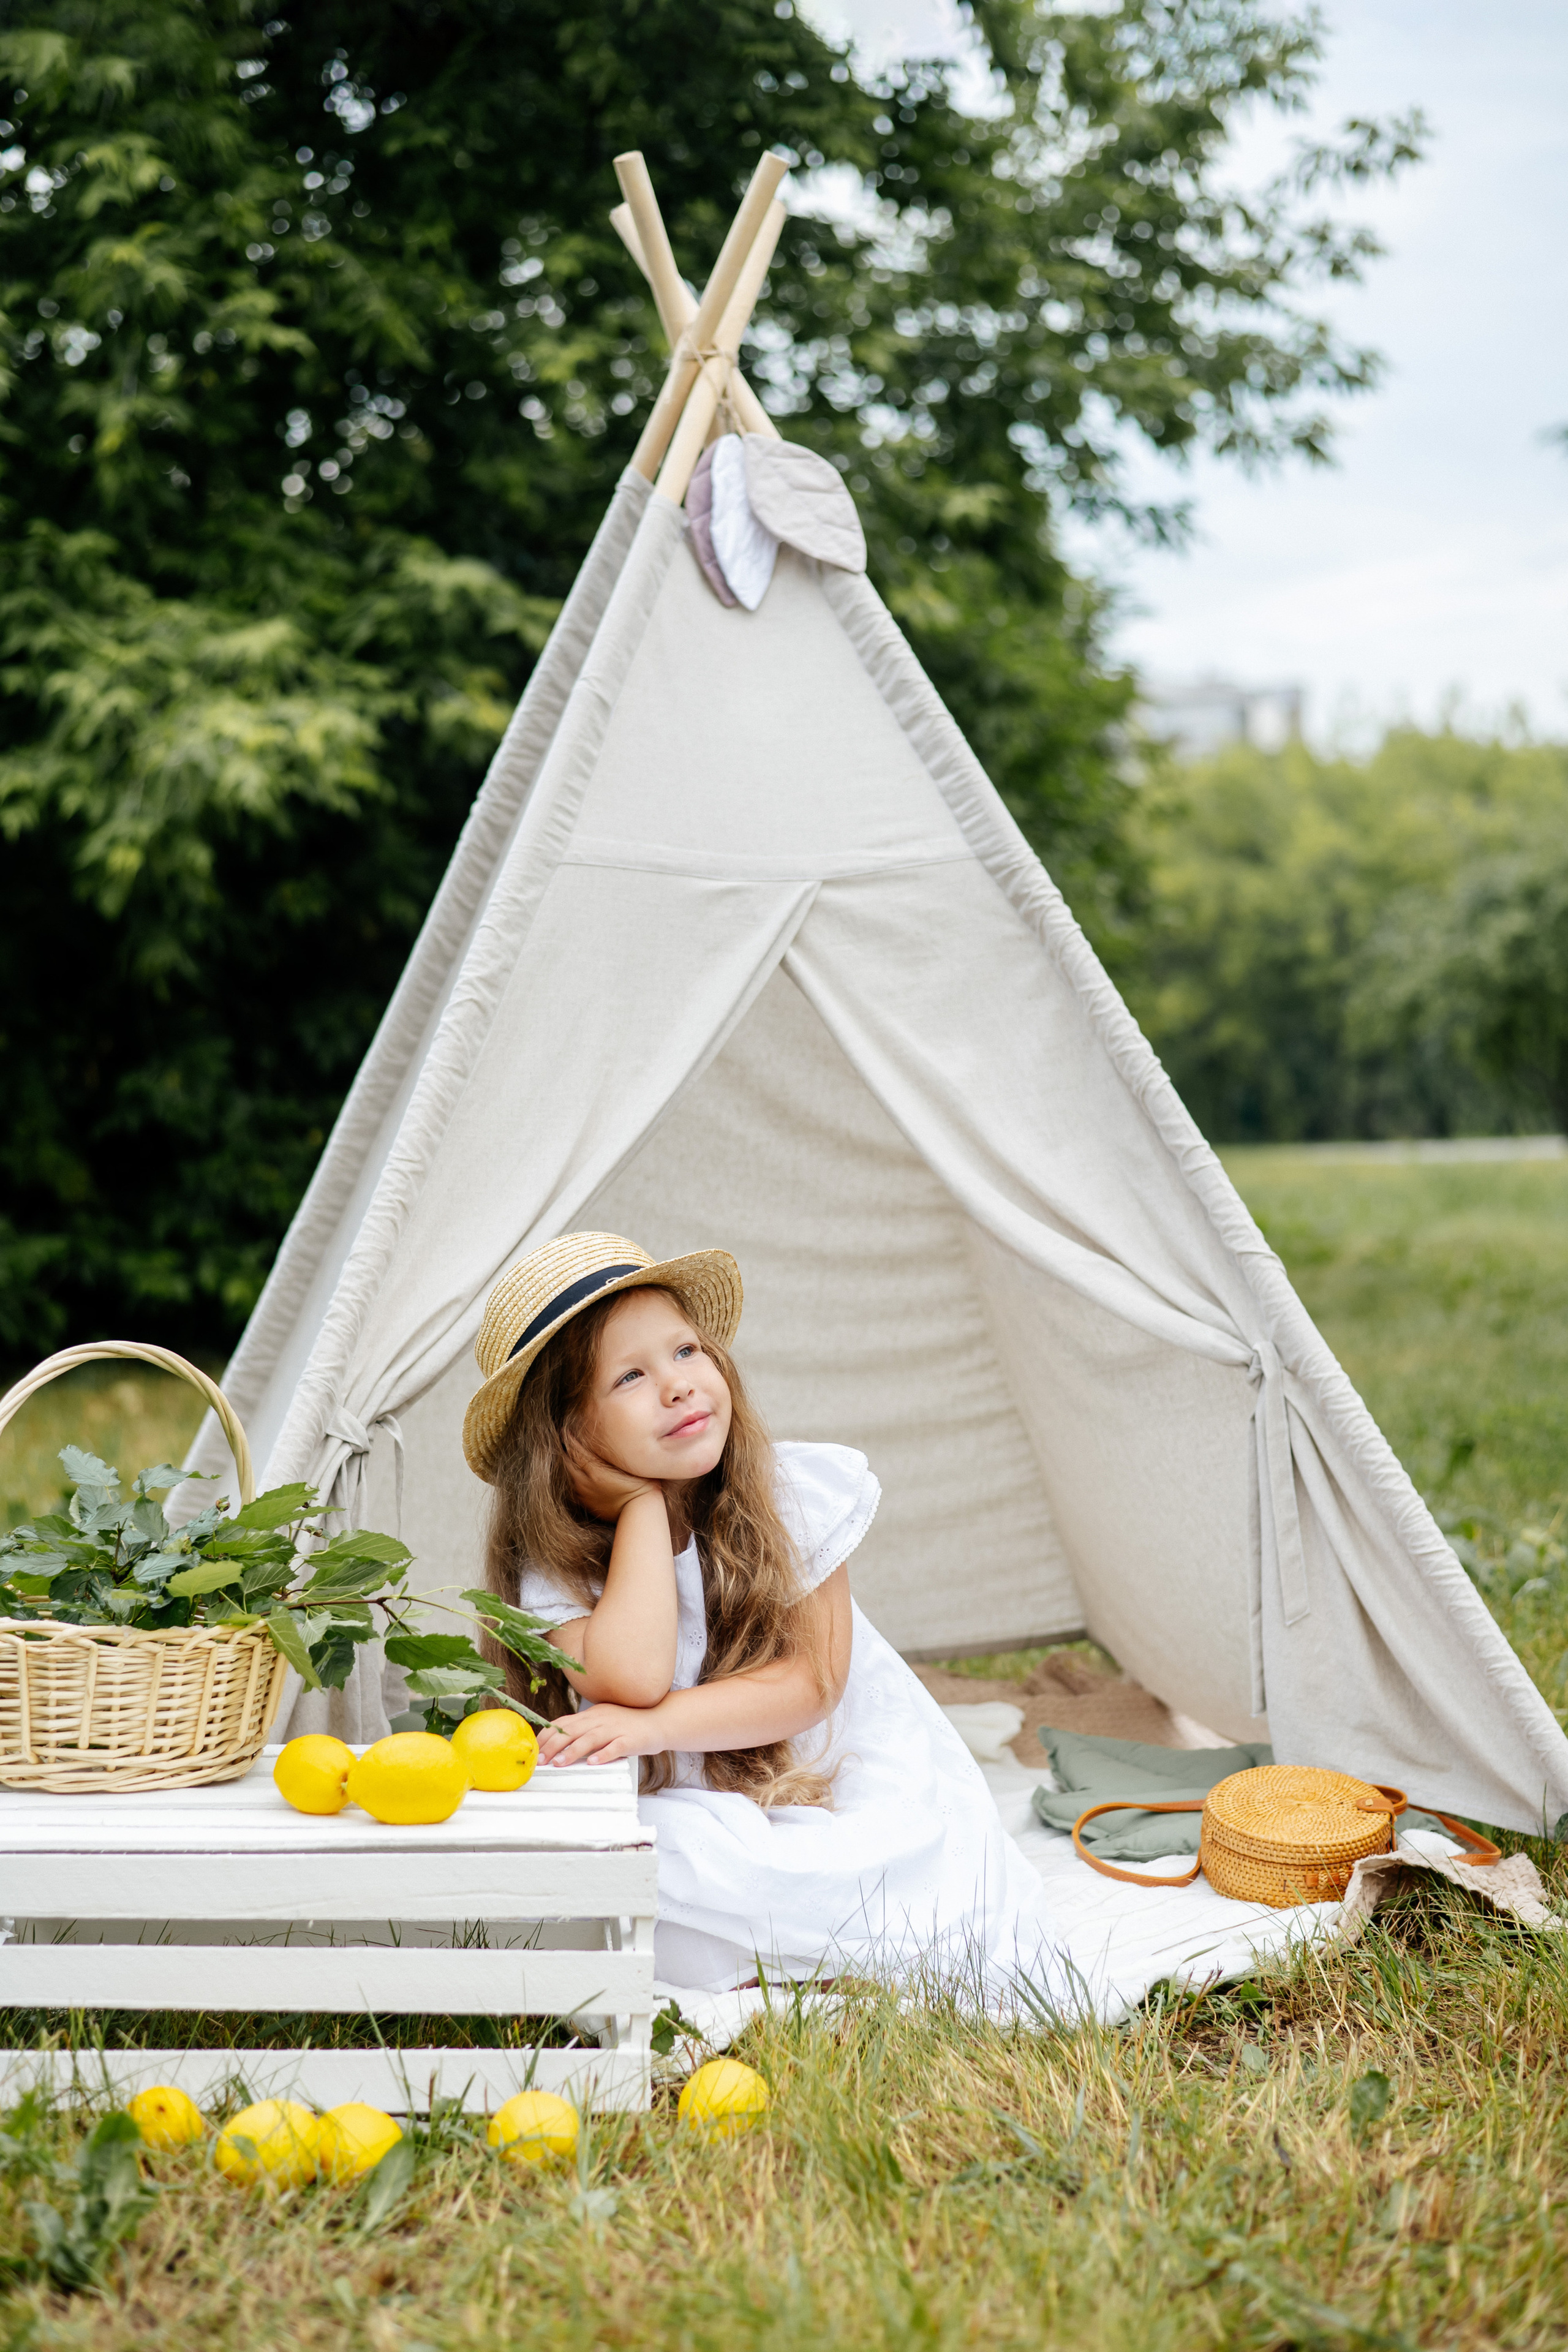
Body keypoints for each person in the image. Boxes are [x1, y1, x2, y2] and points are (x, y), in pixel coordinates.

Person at [462, 1231, 1069, 2003]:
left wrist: (656, 1727)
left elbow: (810, 1684)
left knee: (891, 1872)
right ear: (569, 1436)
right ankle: (777, 1955)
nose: (678, 1386)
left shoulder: (793, 1494)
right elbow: (633, 1676)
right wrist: (641, 1508)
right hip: (678, 1802)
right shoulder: (555, 1557)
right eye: (630, 1376)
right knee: (640, 1865)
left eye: (687, 1351)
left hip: (819, 1782)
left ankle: (790, 1953)